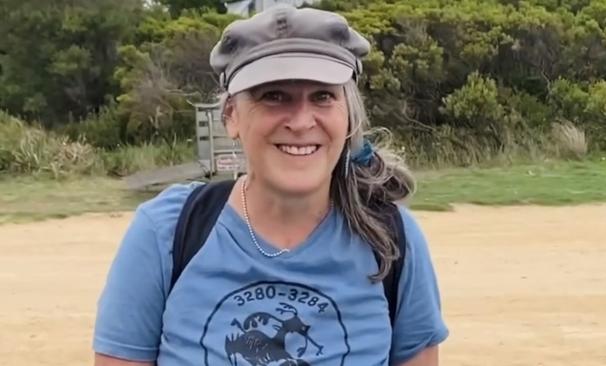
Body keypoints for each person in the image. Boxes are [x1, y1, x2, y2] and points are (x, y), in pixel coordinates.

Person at [93, 4, 449, 366]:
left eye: (323, 96)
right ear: (231, 116)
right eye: (273, 96)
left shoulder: (390, 240)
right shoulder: (167, 233)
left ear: (348, 116)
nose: (300, 121)